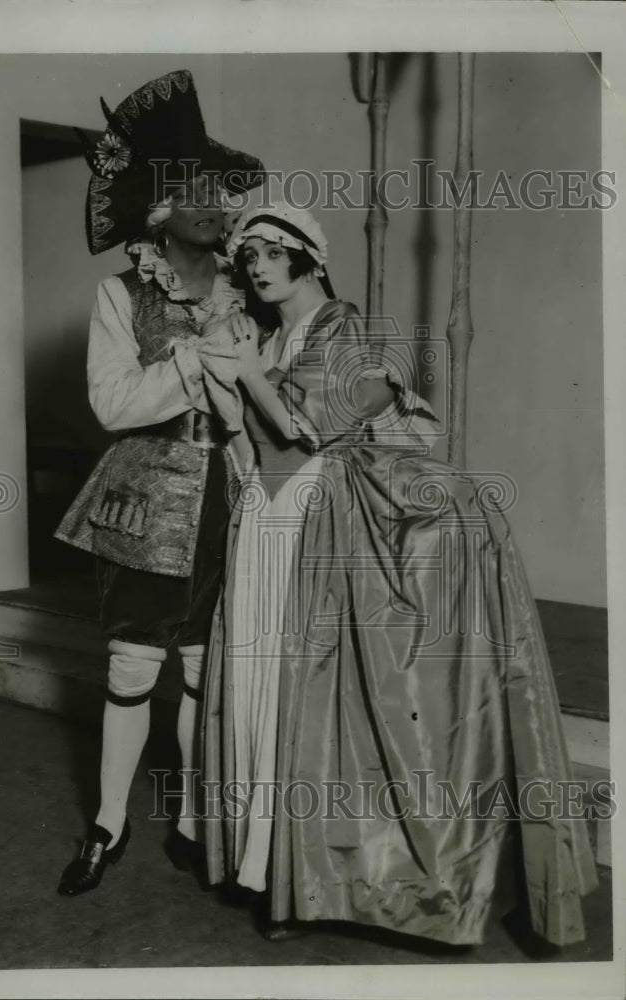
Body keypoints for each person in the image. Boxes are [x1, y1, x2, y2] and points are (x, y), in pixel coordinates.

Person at [198, 202, 598, 948]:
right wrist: (225, 371)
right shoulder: (265, 333)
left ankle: (314, 877)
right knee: (260, 690)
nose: (254, 264)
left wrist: (246, 369)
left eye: (269, 250)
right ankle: (267, 869)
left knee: (314, 702)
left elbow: (301, 425)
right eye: (245, 253)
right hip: (264, 515)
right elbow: (239, 432)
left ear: (307, 258)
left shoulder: (348, 330)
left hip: (321, 519)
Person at [53, 69, 265, 896]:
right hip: (143, 498)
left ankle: (190, 819)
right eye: (198, 192)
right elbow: (111, 406)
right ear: (158, 210)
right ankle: (106, 826)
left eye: (221, 191)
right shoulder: (119, 295)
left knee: (208, 668)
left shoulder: (254, 289)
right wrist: (190, 357)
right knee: (134, 667)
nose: (217, 204)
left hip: (232, 498)